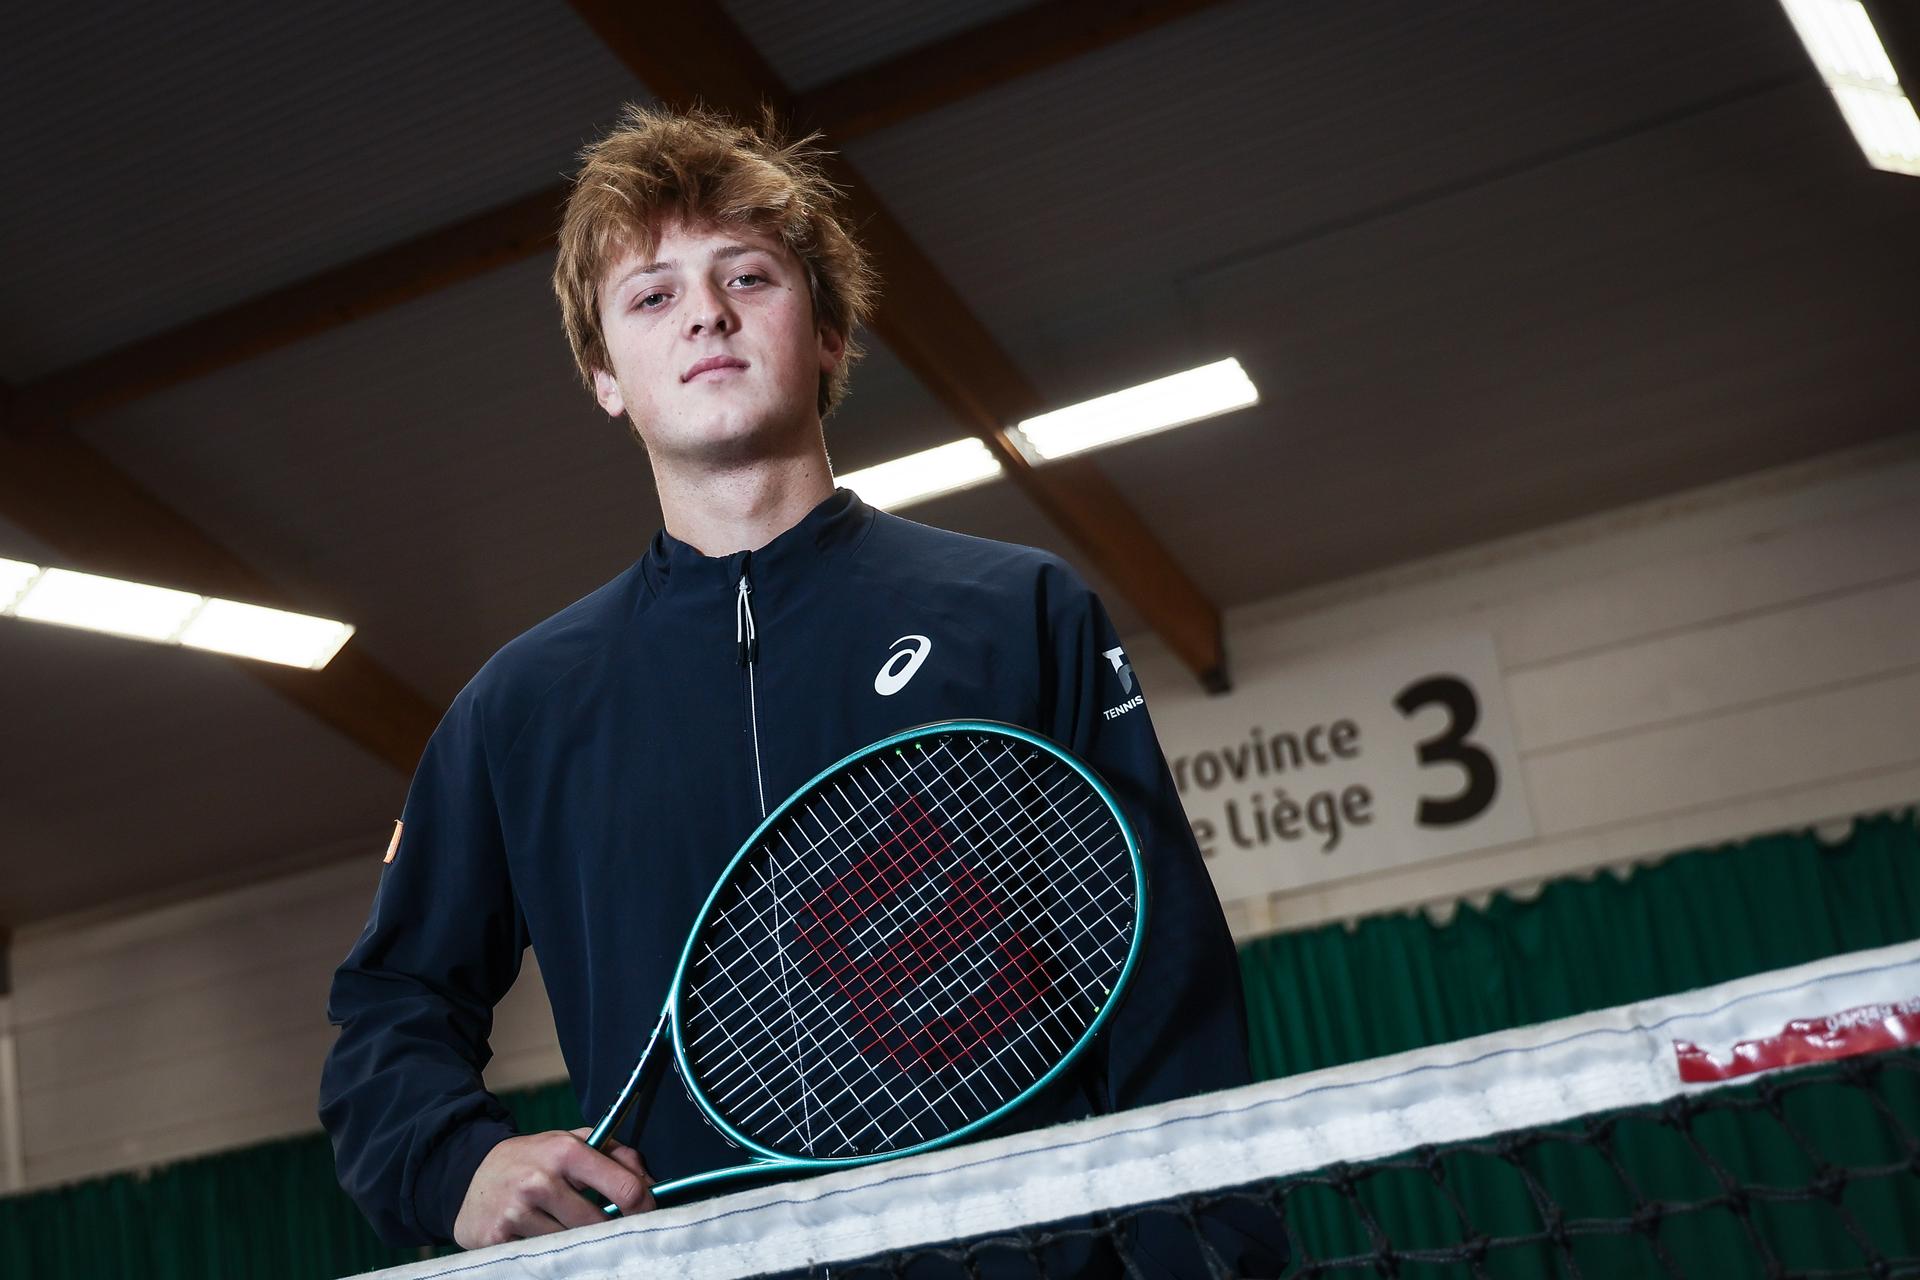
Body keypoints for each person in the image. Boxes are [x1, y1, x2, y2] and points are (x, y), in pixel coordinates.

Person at [319, 104, 1260, 1265]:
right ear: (607, 376)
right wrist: (454, 1163)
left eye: (748, 275)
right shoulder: (518, 709)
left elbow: (1165, 991)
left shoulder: (1019, 613)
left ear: (828, 335)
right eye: (652, 295)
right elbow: (390, 1008)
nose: (706, 311)